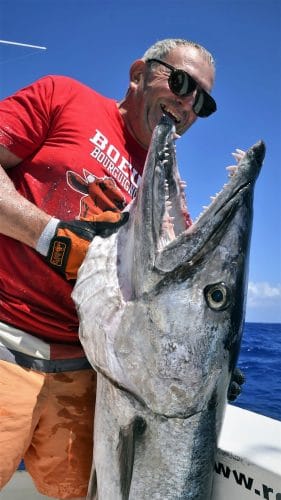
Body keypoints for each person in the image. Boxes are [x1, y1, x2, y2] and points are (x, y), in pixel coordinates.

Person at [0, 38, 242, 499]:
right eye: (181, 82)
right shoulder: (63, 97)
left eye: (203, 102)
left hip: (89, 374)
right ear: (138, 75)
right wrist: (49, 236)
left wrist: (213, 360)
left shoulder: (169, 199)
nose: (189, 103)